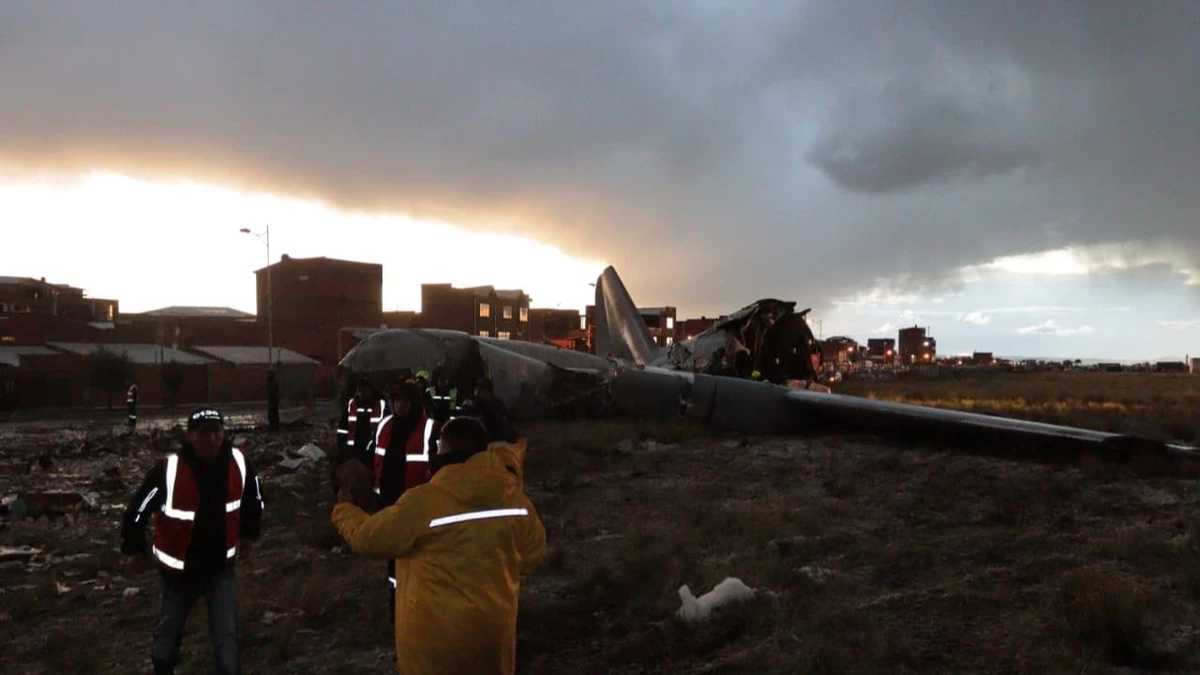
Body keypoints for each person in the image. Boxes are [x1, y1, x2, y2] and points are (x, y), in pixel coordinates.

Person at [332, 417, 545, 675]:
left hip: (434, 644)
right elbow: (533, 557)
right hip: (493, 636)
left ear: (445, 450)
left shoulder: (423, 503)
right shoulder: (517, 501)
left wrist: (345, 510)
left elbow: (368, 538)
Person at [120, 407, 265, 675]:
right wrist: (134, 550)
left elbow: (254, 500)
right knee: (168, 634)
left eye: (216, 432)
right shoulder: (169, 470)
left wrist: (249, 535)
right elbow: (137, 510)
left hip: (220, 568)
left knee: (226, 637)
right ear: (190, 436)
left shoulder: (239, 463)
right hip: (178, 573)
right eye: (203, 433)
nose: (211, 439)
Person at [337, 379, 389, 467]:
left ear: (371, 390)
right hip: (352, 451)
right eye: (359, 390)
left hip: (374, 451)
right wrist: (342, 446)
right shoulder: (351, 405)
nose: (362, 393)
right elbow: (342, 428)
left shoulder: (381, 405)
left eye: (364, 390)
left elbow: (388, 428)